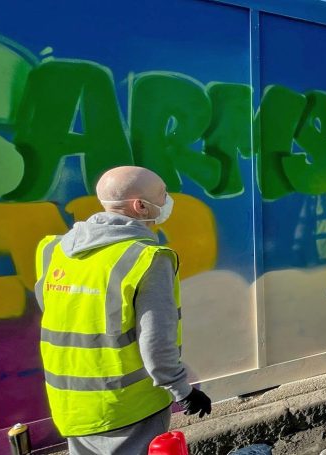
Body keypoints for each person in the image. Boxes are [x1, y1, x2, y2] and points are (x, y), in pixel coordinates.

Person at [35, 166, 212, 454]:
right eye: (162, 194)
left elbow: (54, 309)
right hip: (128, 407)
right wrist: (184, 391)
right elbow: (155, 343)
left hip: (71, 404)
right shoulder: (148, 259)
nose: (168, 200)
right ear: (140, 206)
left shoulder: (54, 249)